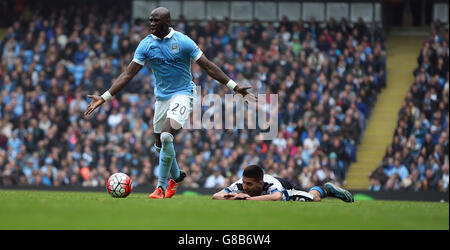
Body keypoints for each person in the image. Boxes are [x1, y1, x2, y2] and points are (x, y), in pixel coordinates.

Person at [84, 7, 256, 199]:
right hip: (162, 98)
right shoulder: (146, 44)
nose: (151, 24)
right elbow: (128, 74)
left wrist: (234, 87)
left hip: (184, 94)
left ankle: (161, 186)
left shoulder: (183, 41)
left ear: (166, 22)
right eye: (150, 20)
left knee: (167, 136)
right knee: (159, 145)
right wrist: (104, 97)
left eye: (155, 21)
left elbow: (207, 66)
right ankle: (176, 175)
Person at [212, 165, 354, 202]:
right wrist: (234, 196)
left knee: (314, 198)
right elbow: (216, 196)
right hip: (270, 193)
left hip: (286, 189)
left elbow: (276, 197)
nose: (245, 187)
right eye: (244, 183)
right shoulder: (240, 185)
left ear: (260, 183)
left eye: (249, 184)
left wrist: (248, 199)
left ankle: (327, 189)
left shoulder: (271, 184)